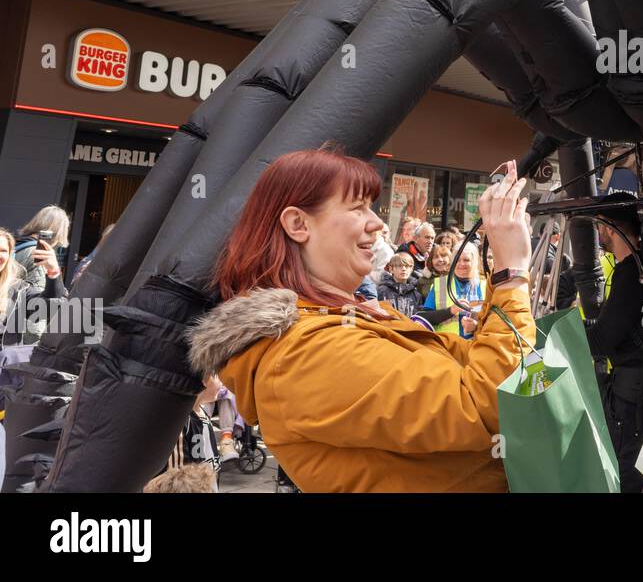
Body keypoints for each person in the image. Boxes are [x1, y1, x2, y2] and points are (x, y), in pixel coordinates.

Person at [187, 149, 534, 492]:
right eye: (357, 207)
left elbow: (478, 370)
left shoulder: (354, 315)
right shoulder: (304, 353)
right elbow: (499, 404)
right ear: (297, 224)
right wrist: (510, 274)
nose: (378, 223)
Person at [583, 199, 643, 493]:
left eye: (599, 226)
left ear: (610, 227)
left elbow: (606, 337)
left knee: (626, 474)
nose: (598, 233)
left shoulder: (630, 273)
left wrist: (568, 334)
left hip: (632, 401)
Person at [1, 226, 66, 346]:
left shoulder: (19, 290)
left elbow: (53, 305)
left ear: (10, 255)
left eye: (3, 251)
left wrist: (53, 270)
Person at [420, 242, 485, 336]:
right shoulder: (441, 284)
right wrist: (450, 311)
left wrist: (476, 326)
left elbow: (494, 321)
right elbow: (425, 318)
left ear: (474, 262)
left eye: (466, 260)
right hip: (446, 345)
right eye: (457, 260)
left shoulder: (485, 286)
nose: (461, 264)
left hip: (475, 346)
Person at [377, 252, 424, 319]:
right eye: (399, 266)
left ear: (411, 269)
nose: (404, 269)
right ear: (391, 269)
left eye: (407, 266)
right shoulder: (382, 291)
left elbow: (419, 316)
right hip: (389, 327)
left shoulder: (416, 293)